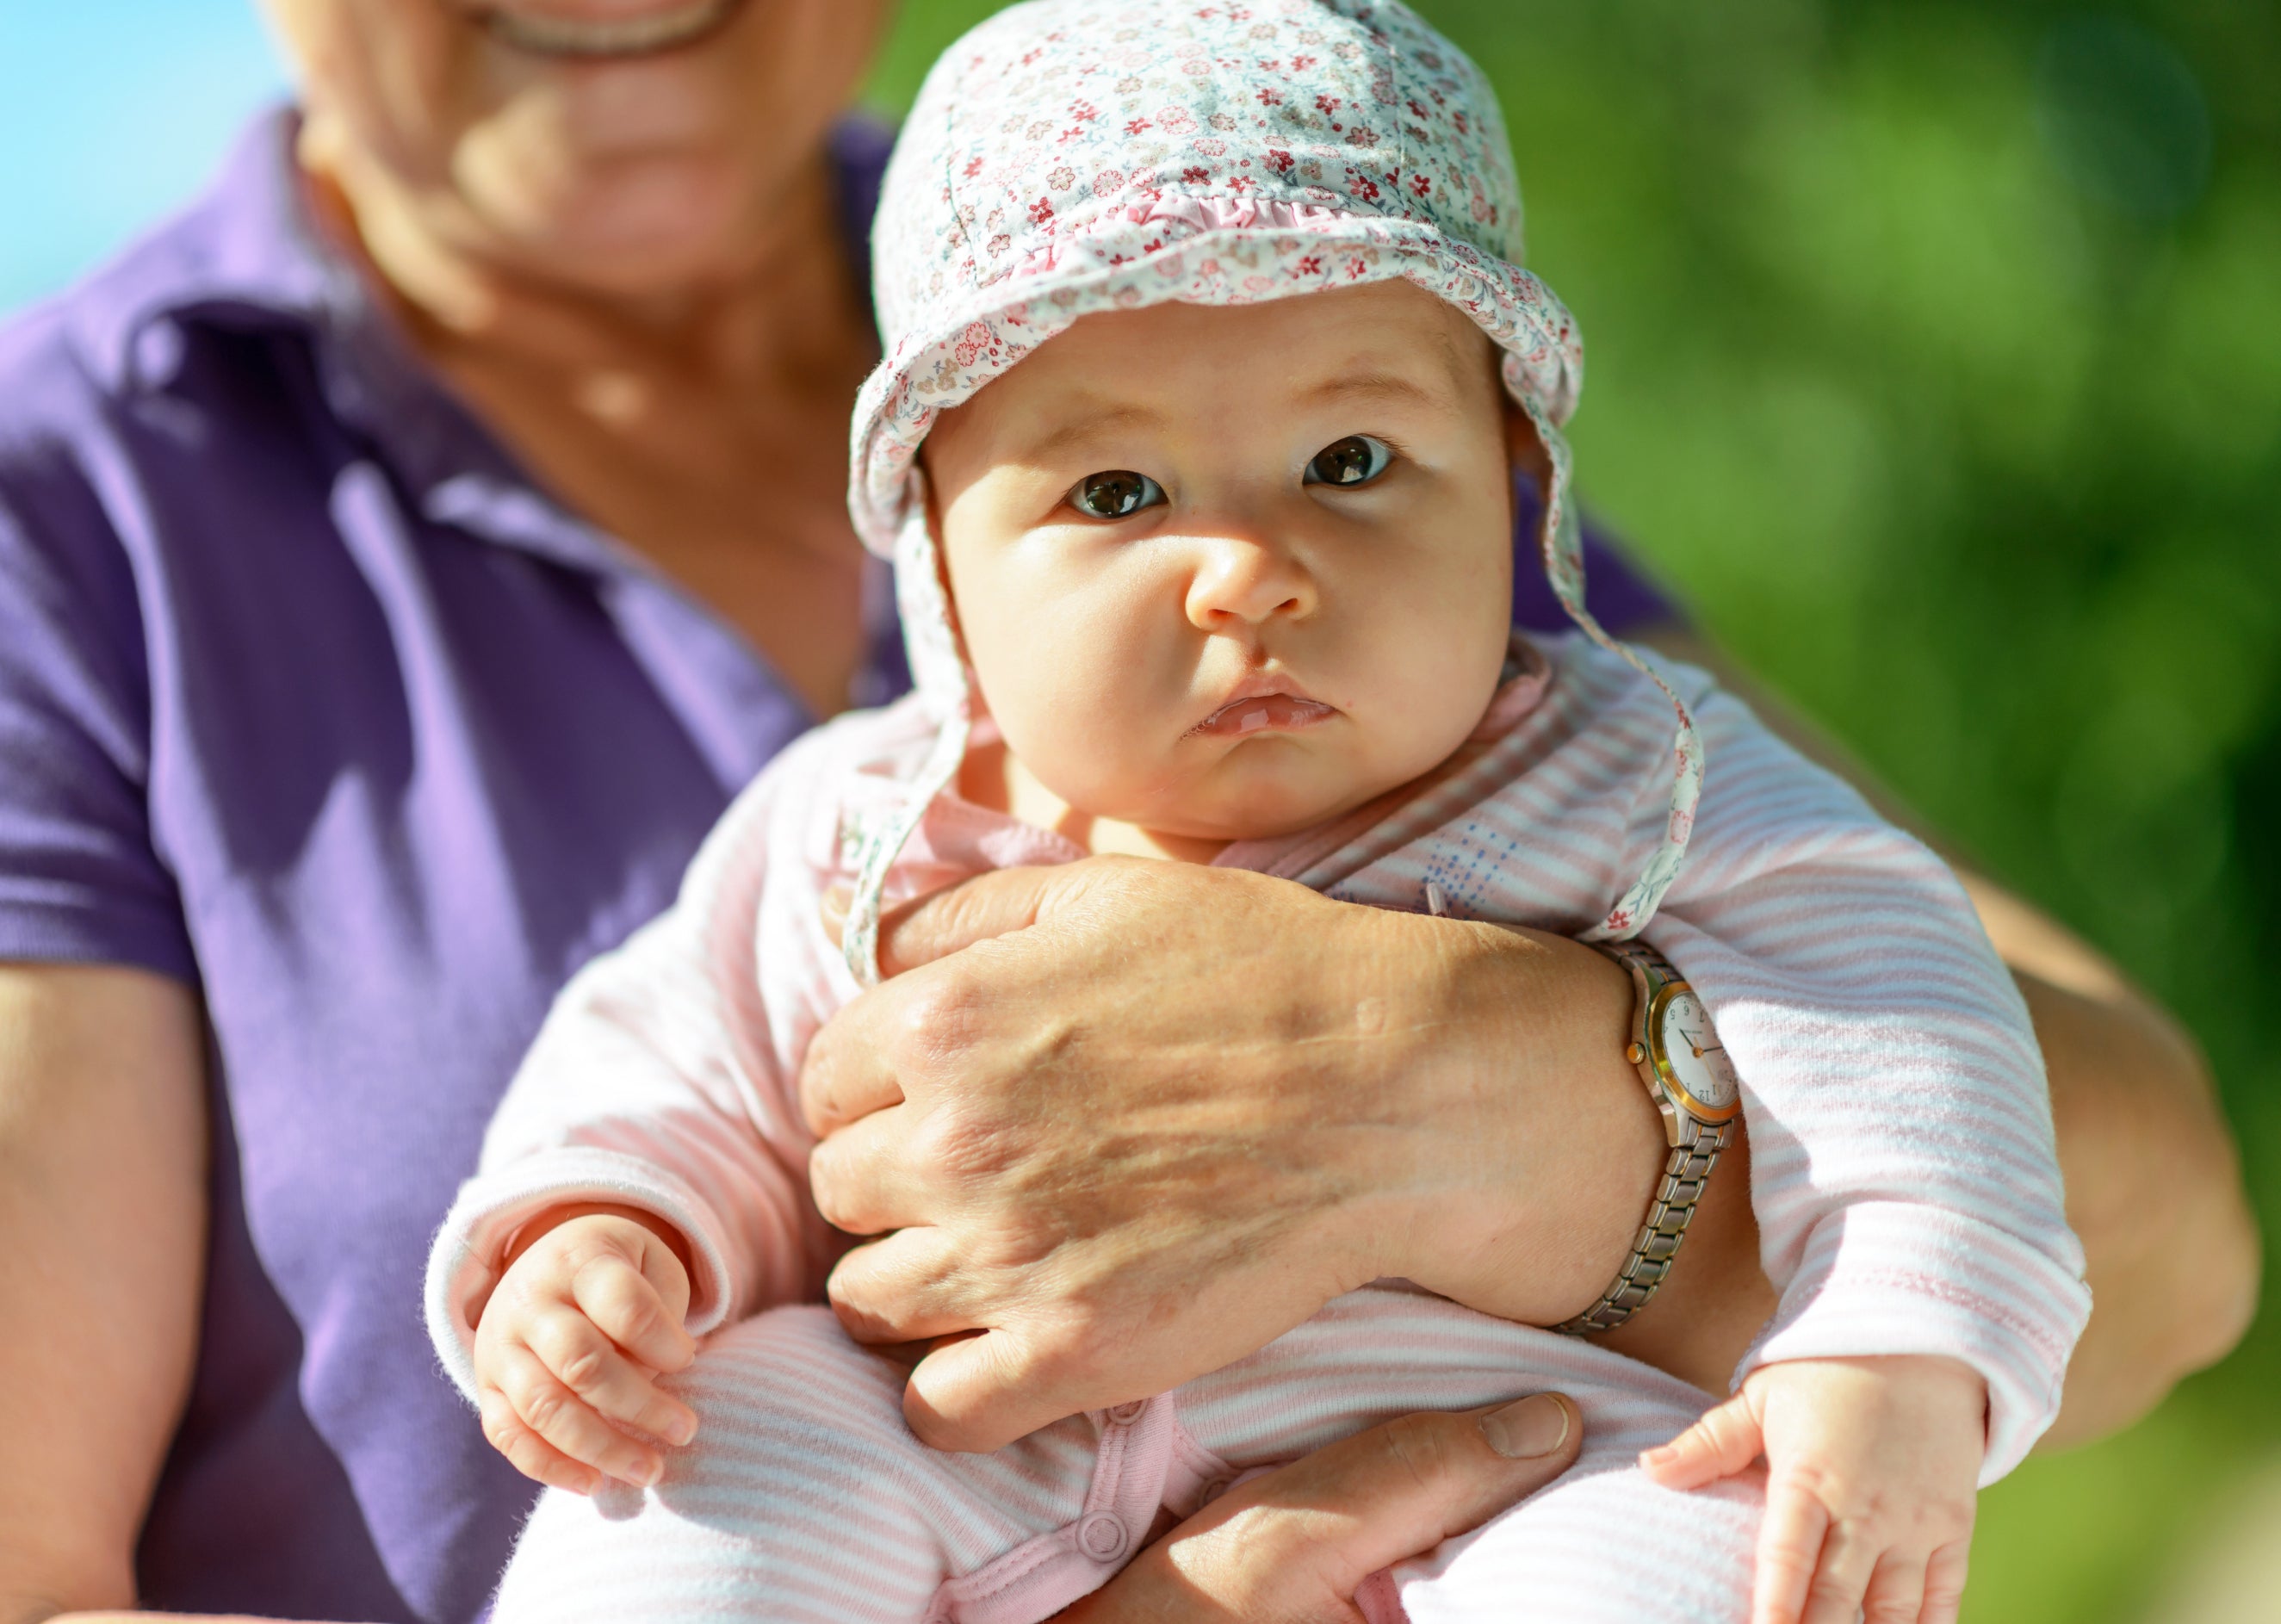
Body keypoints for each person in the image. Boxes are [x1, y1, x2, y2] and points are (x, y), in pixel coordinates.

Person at [0, 0, 2250, 1621]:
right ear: (942, 571)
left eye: (1359, 466)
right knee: (720, 1453)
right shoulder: (855, 815)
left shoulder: (1558, 703)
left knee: (1678, 1549)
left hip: (1496, 1471)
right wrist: (609, 1247)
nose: (1251, 559)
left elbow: (2024, 1096)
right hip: (949, 1457)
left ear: (1513, 485)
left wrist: (1821, 1297)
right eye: (1110, 493)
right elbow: (666, 1056)